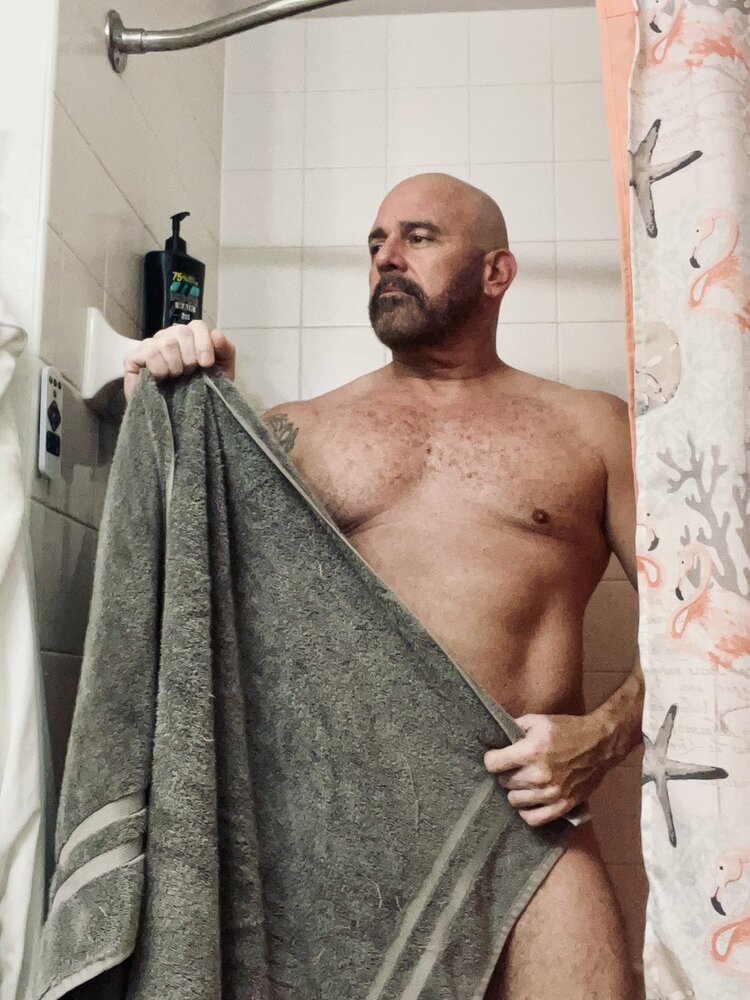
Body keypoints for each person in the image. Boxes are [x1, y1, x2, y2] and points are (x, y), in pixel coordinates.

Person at [124, 173, 644, 999]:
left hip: (525, 819)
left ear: (497, 272)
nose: (386, 258)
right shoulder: (295, 432)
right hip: (335, 835)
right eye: (375, 243)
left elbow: (710, 627)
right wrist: (186, 406)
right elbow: (186, 605)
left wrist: (604, 738)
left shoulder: (593, 427)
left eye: (419, 237)